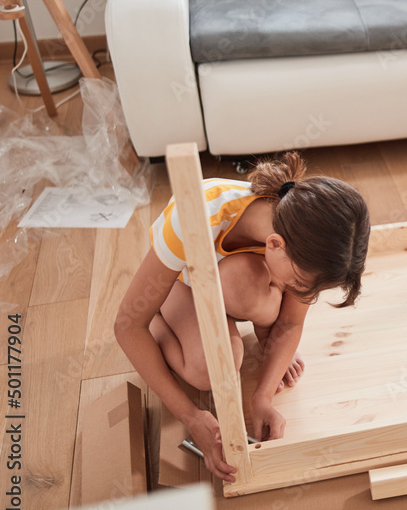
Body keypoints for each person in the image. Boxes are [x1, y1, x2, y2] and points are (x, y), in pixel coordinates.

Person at [114, 152, 370, 481]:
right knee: (211, 369)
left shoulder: (304, 236)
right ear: (275, 244)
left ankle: (237, 318)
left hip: (226, 281)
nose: (297, 295)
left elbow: (291, 323)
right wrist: (191, 416)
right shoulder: (194, 219)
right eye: (296, 285)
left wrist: (262, 396)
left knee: (245, 292)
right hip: (182, 281)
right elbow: (125, 326)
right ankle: (160, 317)